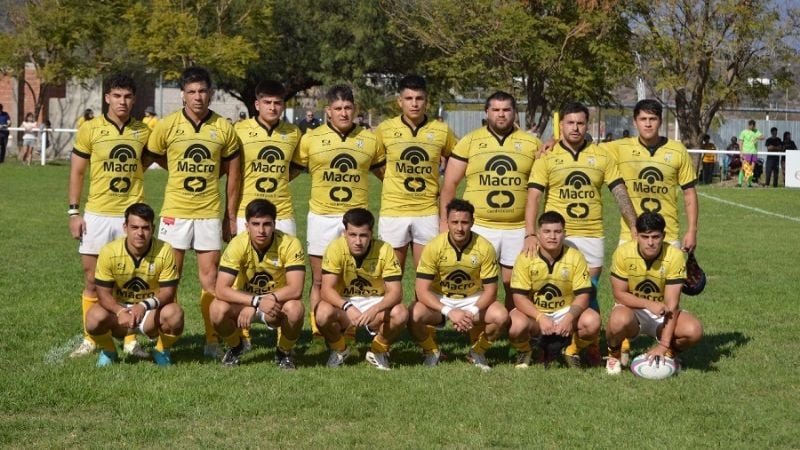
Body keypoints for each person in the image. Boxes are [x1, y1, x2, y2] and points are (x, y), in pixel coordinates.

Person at [524, 102, 637, 364]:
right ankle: (544, 345)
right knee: (549, 289)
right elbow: (533, 198)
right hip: (555, 235)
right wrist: (531, 233)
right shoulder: (547, 157)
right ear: (561, 125)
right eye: (570, 123)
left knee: (589, 293)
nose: (575, 128)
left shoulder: (602, 156)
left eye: (580, 123)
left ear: (588, 125)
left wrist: (633, 224)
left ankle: (584, 345)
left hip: (591, 235)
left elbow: (619, 192)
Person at [147, 66, 241, 359]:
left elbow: (234, 175)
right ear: (182, 95)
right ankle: (165, 342)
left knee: (210, 280)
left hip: (208, 212)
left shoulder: (224, 128)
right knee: (168, 279)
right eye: (191, 92)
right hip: (175, 210)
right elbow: (155, 153)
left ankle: (211, 341)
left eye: (202, 91)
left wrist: (230, 216)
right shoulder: (168, 125)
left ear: (210, 93)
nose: (198, 97)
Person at [67, 73, 153, 358]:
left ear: (134, 99)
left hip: (130, 218)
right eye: (117, 96)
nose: (122, 102)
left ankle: (129, 341)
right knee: (92, 278)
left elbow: (154, 160)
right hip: (97, 215)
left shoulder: (144, 132)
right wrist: (74, 212)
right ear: (107, 98)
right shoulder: (90, 129)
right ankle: (92, 339)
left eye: (128, 96)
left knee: (127, 282)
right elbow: (78, 171)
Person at [290, 84, 384, 342]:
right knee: (320, 278)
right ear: (328, 111)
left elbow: (385, 175)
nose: (343, 113)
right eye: (338, 108)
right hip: (321, 216)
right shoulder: (310, 139)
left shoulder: (370, 140)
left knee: (349, 276)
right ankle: (318, 329)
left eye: (348, 108)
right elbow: (292, 171)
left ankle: (349, 326)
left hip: (356, 220)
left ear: (355, 109)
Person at [440, 91, 540, 315]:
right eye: (495, 110)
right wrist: (444, 223)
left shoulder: (531, 143)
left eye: (506, 110)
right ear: (486, 113)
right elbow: (449, 184)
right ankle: (481, 334)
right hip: (480, 226)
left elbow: (546, 179)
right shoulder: (470, 141)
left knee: (517, 286)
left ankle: (513, 334)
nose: (501, 115)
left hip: (517, 227)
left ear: (515, 113)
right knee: (476, 284)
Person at [233, 80, 302, 350]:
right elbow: (234, 172)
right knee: (243, 271)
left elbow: (295, 168)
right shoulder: (239, 131)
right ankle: (244, 331)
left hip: (282, 211)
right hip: (246, 211)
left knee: (283, 272)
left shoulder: (293, 133)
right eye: (268, 102)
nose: (273, 107)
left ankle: (280, 331)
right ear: (257, 104)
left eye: (278, 103)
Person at [409, 199, 508, 371]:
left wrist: (470, 312)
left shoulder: (485, 247)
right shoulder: (434, 247)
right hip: (441, 299)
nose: (459, 228)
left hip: (473, 300)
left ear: (472, 222)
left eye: (464, 222)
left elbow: (491, 291)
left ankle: (477, 352)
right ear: (447, 222)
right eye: (455, 222)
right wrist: (449, 311)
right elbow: (422, 290)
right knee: (412, 314)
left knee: (501, 316)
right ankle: (432, 351)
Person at [375, 74, 456, 273]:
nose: (414, 104)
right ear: (399, 101)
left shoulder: (441, 130)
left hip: (427, 212)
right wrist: (389, 179)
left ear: (426, 101)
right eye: (409, 99)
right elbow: (374, 162)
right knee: (391, 276)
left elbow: (457, 160)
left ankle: (422, 306)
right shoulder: (385, 129)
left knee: (426, 276)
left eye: (419, 99)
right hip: (393, 210)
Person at [85, 203, 183, 367]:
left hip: (150, 312)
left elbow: (168, 293)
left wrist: (143, 306)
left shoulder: (165, 250)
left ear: (153, 228)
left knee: (175, 314)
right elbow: (102, 294)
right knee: (93, 318)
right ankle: (109, 351)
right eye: (134, 227)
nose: (140, 233)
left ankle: (161, 350)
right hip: (120, 313)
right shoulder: (109, 251)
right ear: (125, 227)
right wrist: (120, 311)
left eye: (145, 228)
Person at [605, 211, 703, 375]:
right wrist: (648, 304)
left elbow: (672, 305)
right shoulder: (623, 253)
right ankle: (614, 353)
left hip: (664, 313)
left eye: (655, 237)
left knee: (693, 330)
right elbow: (619, 294)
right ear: (636, 235)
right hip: (632, 311)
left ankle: (669, 354)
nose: (650, 242)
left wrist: (663, 345)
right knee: (617, 321)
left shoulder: (674, 256)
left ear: (663, 235)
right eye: (645, 237)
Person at [211, 199, 305, 369]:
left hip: (275, 306)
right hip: (244, 305)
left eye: (267, 224)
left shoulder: (290, 243)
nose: (261, 230)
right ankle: (236, 347)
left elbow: (296, 288)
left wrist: (260, 302)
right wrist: (256, 302)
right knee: (217, 309)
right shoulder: (237, 244)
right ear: (247, 226)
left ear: (274, 224)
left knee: (296, 309)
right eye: (255, 224)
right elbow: (220, 289)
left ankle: (284, 352)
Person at [316, 208, 406, 370]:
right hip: (345, 303)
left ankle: (378, 350)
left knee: (400, 313)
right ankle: (340, 349)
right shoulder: (335, 248)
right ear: (345, 233)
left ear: (371, 233)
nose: (358, 241)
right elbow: (326, 290)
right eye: (353, 235)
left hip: (376, 303)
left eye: (363, 235)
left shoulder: (385, 249)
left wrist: (375, 309)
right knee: (322, 313)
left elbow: (396, 292)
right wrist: (347, 306)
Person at [603, 99, 698, 252]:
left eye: (652, 119)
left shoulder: (677, 150)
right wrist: (556, 140)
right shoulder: (620, 147)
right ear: (635, 122)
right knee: (622, 276)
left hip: (667, 235)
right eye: (643, 119)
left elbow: (689, 193)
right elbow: (585, 147)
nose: (648, 124)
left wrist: (692, 230)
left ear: (660, 122)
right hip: (631, 235)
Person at [509, 211, 599, 368]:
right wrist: (540, 318)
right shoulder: (525, 258)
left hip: (566, 312)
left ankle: (571, 350)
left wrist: (569, 318)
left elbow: (583, 295)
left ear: (564, 234)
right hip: (537, 314)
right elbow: (518, 298)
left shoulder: (575, 257)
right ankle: (526, 350)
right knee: (515, 324)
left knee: (593, 321)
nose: (552, 236)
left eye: (557, 232)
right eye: (547, 232)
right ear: (538, 234)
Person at [738, 120, 764, 187]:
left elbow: (763, 137)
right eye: (751, 126)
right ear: (749, 125)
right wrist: (741, 152)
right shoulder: (743, 132)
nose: (752, 127)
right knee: (744, 167)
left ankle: (749, 183)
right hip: (746, 152)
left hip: (754, 152)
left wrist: (757, 138)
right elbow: (740, 142)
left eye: (753, 126)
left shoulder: (756, 131)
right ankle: (739, 182)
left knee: (752, 168)